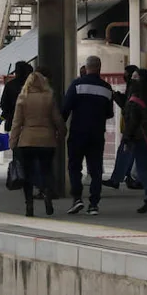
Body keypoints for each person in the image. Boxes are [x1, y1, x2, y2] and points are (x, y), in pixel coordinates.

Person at [62, 55, 114, 215]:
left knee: (74, 166)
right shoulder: (107, 88)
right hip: (97, 134)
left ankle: (77, 198)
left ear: (86, 67)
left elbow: (66, 108)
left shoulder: (77, 85)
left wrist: (59, 127)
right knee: (95, 169)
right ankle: (94, 204)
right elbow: (109, 113)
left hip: (78, 132)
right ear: (99, 67)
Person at [10, 71, 65, 217]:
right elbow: (57, 119)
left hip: (27, 140)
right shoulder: (49, 97)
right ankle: (46, 192)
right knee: (46, 169)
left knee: (27, 174)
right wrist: (62, 132)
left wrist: (13, 141)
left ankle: (29, 204)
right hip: (47, 141)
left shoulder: (23, 98)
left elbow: (17, 122)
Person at [122, 68, 147, 213]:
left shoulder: (135, 99)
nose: (131, 79)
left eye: (134, 77)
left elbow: (132, 122)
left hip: (141, 138)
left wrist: (127, 139)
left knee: (142, 168)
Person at [104, 64, 144, 190]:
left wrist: (115, 96)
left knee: (125, 152)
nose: (124, 75)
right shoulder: (138, 87)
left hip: (133, 128)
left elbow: (127, 106)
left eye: (126, 73)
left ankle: (117, 179)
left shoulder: (133, 87)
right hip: (137, 128)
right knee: (133, 155)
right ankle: (130, 178)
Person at [0, 61, 33, 133]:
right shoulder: (32, 86)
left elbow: (4, 105)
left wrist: (2, 117)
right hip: (29, 124)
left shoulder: (10, 85)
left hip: (12, 123)